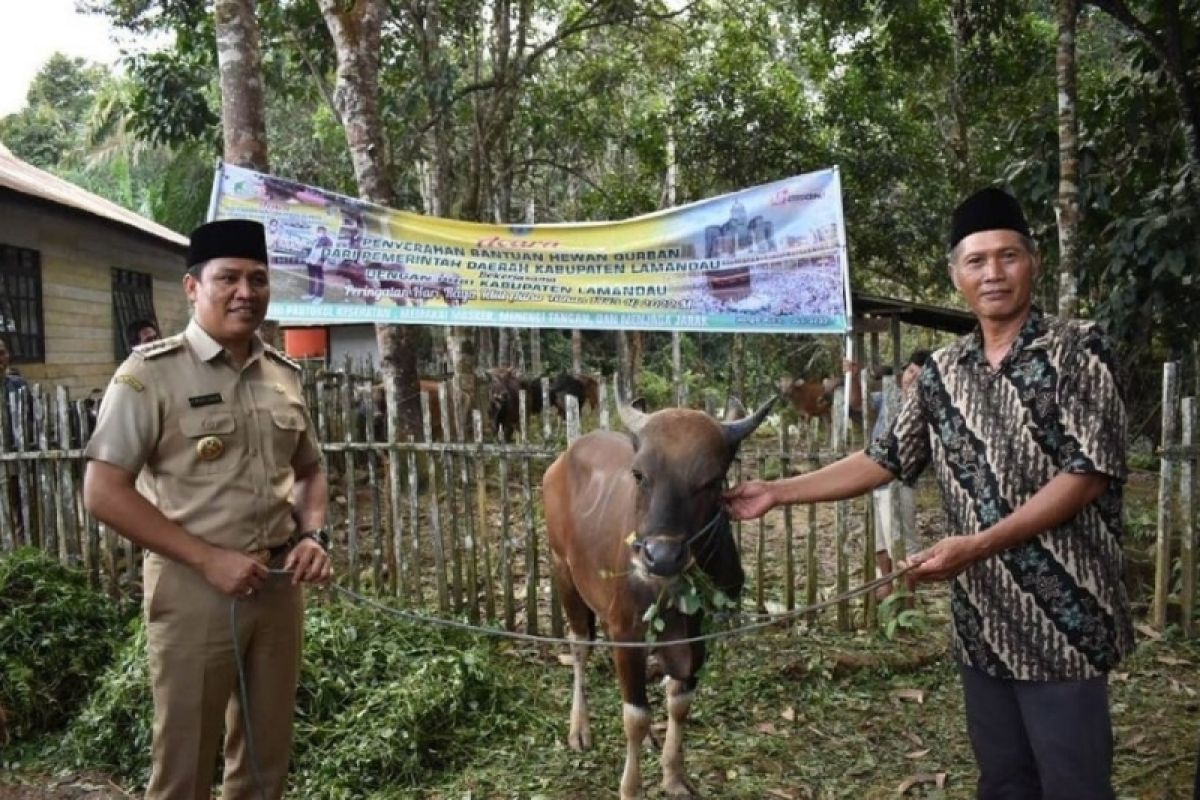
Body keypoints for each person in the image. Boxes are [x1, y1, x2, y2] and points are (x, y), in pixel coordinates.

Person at [726, 187, 1133, 799]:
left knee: (1074, 783)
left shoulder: (1080, 350)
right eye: (976, 261)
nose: (992, 273)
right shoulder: (943, 372)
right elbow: (881, 458)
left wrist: (978, 545)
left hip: (1066, 623)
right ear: (956, 274)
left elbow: (1086, 474)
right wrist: (777, 492)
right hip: (983, 626)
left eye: (1007, 256)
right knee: (1003, 781)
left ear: (1034, 262)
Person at [82, 219, 332, 800]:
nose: (246, 291)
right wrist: (207, 559)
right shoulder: (149, 375)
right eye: (229, 278)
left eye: (258, 278)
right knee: (185, 765)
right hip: (194, 589)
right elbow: (103, 491)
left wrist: (313, 537)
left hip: (276, 586)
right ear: (193, 288)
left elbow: (310, 470)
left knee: (267, 759)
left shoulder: (283, 377)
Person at [847, 351, 931, 599]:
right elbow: (856, 403)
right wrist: (853, 377)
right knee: (880, 540)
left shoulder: (925, 403)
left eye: (918, 373)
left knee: (903, 538)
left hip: (901, 479)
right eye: (909, 371)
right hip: (875, 477)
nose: (911, 377)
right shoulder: (888, 395)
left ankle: (907, 594)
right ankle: (886, 585)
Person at [302, 225, 333, 303]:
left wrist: (322, 261)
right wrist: (307, 257)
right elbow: (312, 250)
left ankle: (319, 296)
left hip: (319, 263)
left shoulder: (328, 241)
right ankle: (311, 293)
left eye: (321, 231)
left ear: (325, 232)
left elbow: (327, 252)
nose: (319, 232)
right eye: (318, 231)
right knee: (311, 277)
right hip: (311, 261)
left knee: (320, 279)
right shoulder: (316, 240)